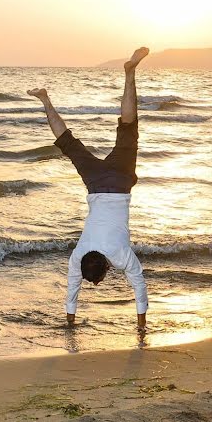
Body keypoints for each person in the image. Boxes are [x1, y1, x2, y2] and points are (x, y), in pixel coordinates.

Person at [28, 47, 150, 330]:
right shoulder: (78, 256)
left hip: (119, 183)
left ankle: (130, 74)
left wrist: (141, 326)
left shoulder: (120, 256)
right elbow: (71, 293)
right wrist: (69, 321)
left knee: (128, 128)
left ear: (107, 267)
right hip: (95, 183)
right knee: (69, 144)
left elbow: (139, 287)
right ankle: (45, 98)